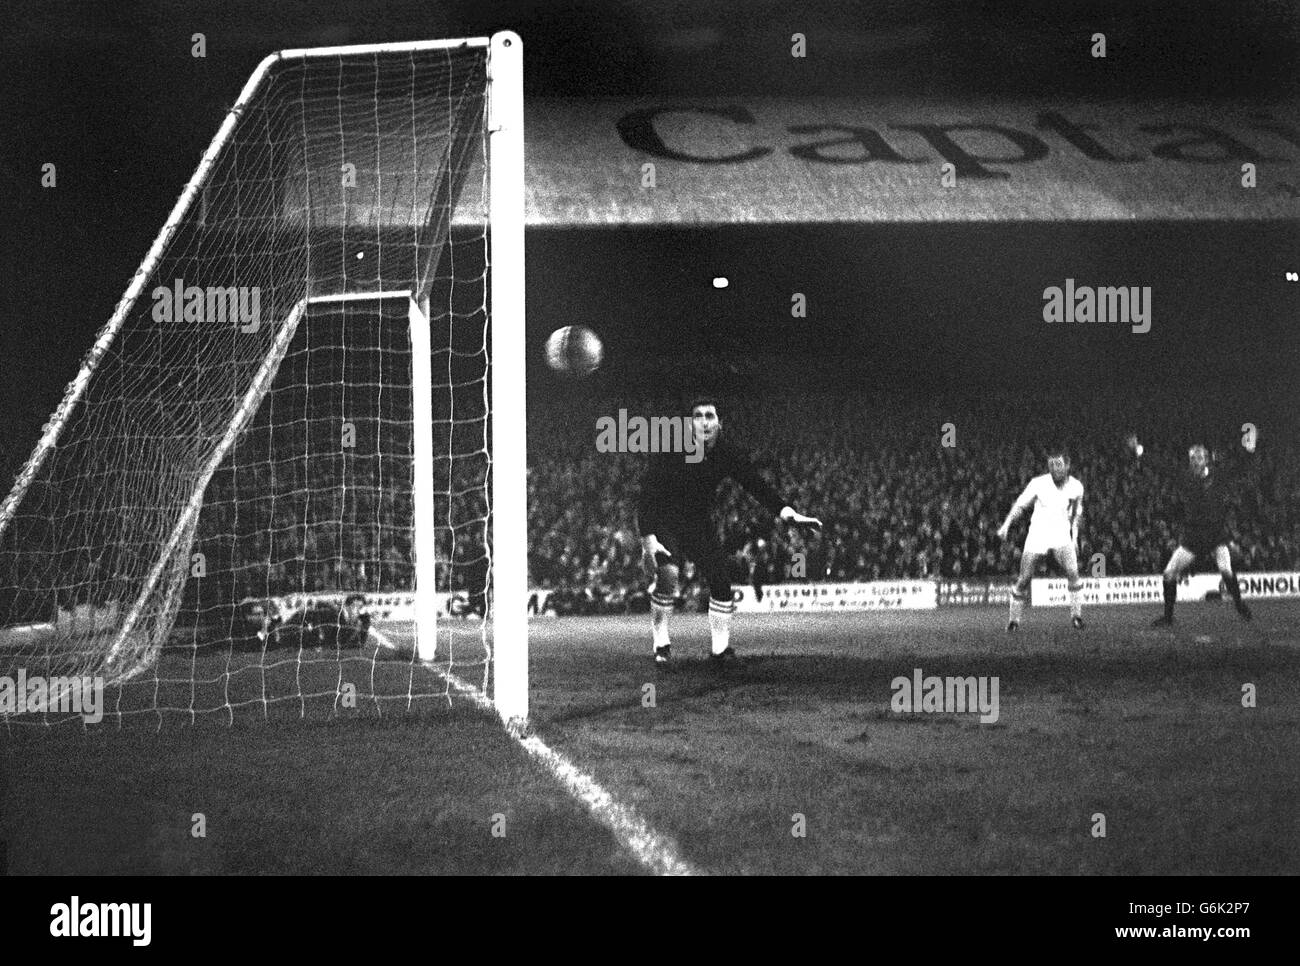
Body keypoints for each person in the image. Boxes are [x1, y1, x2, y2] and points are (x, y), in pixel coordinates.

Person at [637, 396, 820, 664]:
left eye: (709, 416)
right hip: (665, 520)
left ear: (720, 423)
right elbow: (647, 493)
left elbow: (755, 483)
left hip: (698, 522)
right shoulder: (672, 450)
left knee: (721, 581)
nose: (704, 422)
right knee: (669, 574)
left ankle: (720, 651)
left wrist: (786, 512)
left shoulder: (726, 453)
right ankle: (661, 642)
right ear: (689, 424)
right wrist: (648, 539)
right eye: (697, 416)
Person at [1148, 440, 1255, 626]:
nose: (1196, 460)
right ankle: (1168, 617)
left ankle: (1239, 605)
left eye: (1199, 457)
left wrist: (1249, 450)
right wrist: (1140, 452)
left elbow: (1237, 468)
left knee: (1225, 569)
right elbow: (1162, 467)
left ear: (1206, 459)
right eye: (1193, 457)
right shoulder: (1184, 477)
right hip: (1194, 536)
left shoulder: (1217, 475)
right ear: (1189, 461)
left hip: (1215, 535)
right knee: (1169, 573)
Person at [996, 450, 1086, 631]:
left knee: (1073, 573)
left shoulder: (1076, 487)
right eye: (1051, 465)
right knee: (1024, 578)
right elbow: (1020, 505)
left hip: (1061, 533)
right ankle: (1013, 622)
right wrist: (1006, 525)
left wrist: (1074, 537)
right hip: (1038, 533)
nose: (1054, 468)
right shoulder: (1038, 483)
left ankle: (1076, 617)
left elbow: (1076, 514)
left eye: (1058, 464)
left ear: (1067, 466)